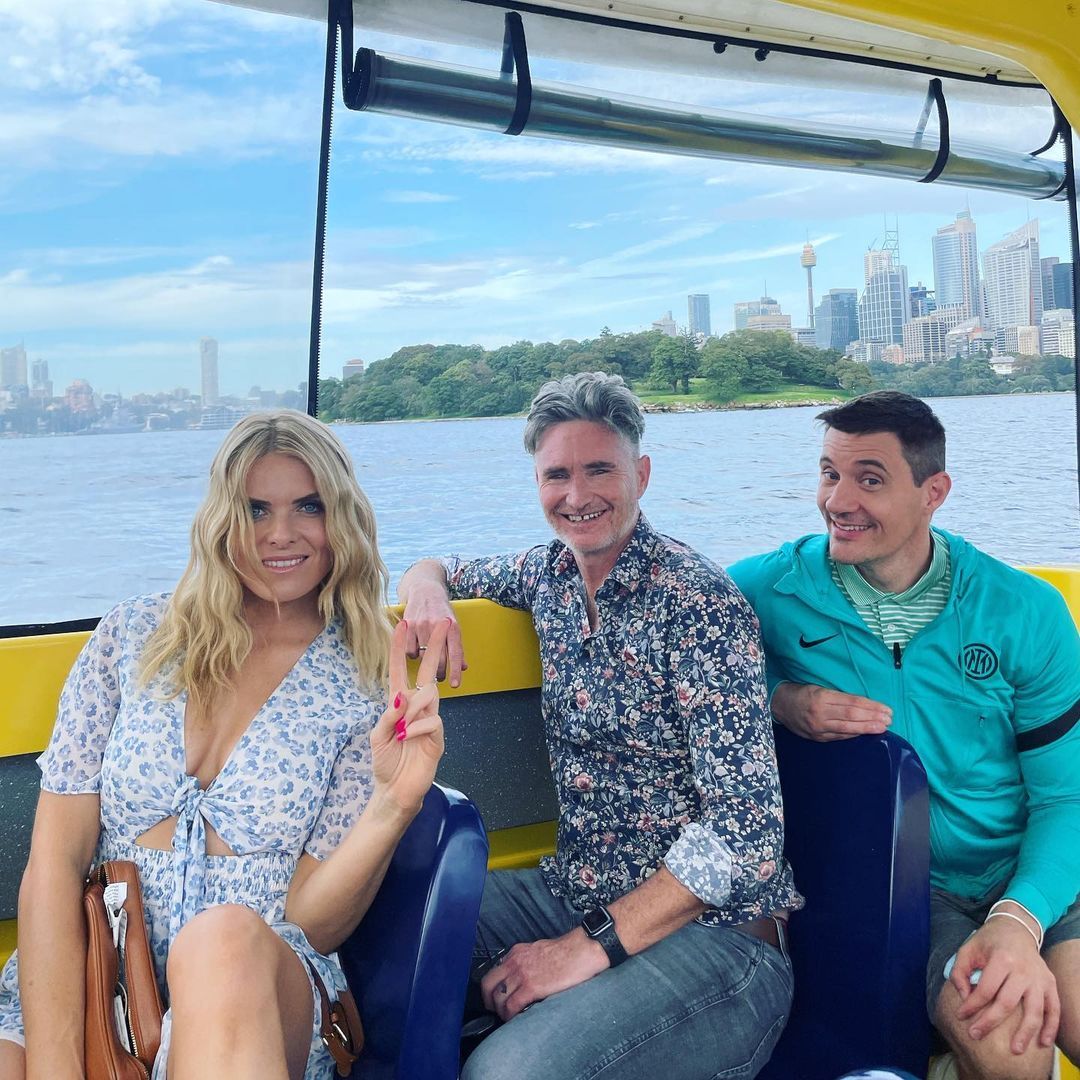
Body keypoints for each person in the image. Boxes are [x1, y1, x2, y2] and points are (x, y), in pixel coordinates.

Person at [0, 409, 447, 1080]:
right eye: (256, 509)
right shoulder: (131, 637)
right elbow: (53, 865)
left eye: (309, 506)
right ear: (221, 519)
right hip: (100, 980)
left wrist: (394, 804)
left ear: (342, 518)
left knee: (223, 941)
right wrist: (58, 1067)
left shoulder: (364, 680)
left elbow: (312, 924)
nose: (281, 533)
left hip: (256, 991)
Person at [399, 372, 801, 1080]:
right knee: (390, 924)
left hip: (719, 940)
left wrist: (585, 950)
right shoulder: (547, 576)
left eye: (599, 470)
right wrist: (425, 590)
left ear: (640, 475)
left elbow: (747, 836)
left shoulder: (699, 606)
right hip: (576, 891)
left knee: (506, 1075)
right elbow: (440, 567)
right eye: (557, 475)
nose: (577, 495)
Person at [728, 390, 1080, 1080]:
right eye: (829, 473)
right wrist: (777, 698)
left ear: (933, 492)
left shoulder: (1025, 611)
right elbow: (672, 636)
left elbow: (1066, 799)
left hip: (1043, 872)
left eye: (869, 479)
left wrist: (1019, 919)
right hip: (911, 892)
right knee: (1010, 1043)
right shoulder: (770, 590)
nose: (838, 501)